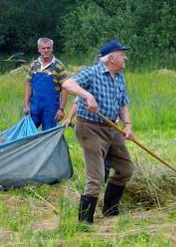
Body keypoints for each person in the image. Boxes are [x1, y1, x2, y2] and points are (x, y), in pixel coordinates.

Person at [62, 39, 134, 224]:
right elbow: (67, 84)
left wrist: (127, 125)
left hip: (112, 129)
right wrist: (87, 96)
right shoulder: (92, 73)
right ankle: (84, 222)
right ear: (111, 58)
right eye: (121, 54)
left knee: (126, 169)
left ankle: (110, 209)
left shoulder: (120, 77)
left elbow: (123, 104)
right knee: (96, 177)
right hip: (90, 129)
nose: (125, 57)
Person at [64, 97, 113, 183]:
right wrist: (69, 118)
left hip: (108, 127)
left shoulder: (113, 88)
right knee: (94, 155)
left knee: (108, 155)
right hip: (90, 127)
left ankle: (103, 180)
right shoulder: (87, 87)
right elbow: (77, 103)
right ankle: (94, 183)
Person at [24, 37, 68, 130]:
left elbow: (65, 89)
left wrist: (61, 109)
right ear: (39, 49)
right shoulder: (34, 65)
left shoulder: (58, 66)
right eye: (43, 48)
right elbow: (29, 84)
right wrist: (26, 105)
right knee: (28, 133)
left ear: (52, 49)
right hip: (34, 107)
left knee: (48, 135)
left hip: (51, 109)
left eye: (48, 48)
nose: (46, 50)